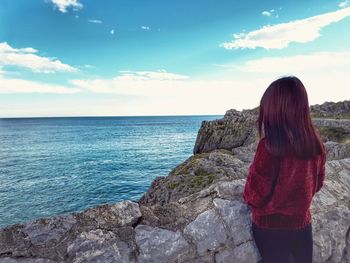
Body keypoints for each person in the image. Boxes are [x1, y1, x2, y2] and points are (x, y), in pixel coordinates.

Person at [243, 76, 326, 263]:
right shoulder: (315, 145)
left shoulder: (268, 147)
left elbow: (255, 196)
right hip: (302, 224)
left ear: (273, 111)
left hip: (269, 227)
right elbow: (318, 184)